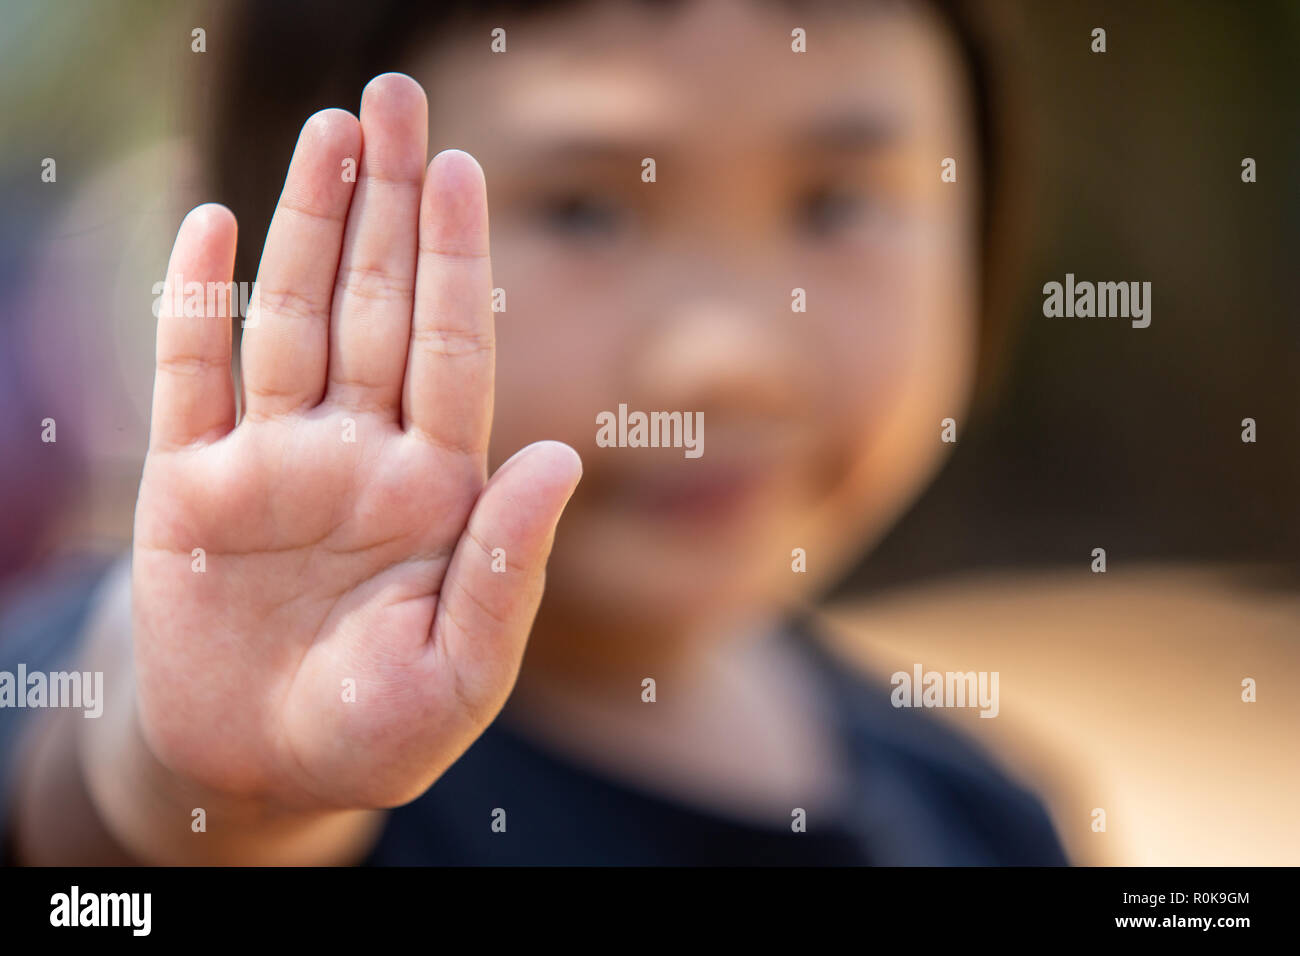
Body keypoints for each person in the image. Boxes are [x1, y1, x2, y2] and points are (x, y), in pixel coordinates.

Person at [3, 0, 1066, 865]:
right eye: (583, 212)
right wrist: (217, 795)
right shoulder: (224, 672)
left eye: (835, 203)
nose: (731, 357)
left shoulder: (980, 807)